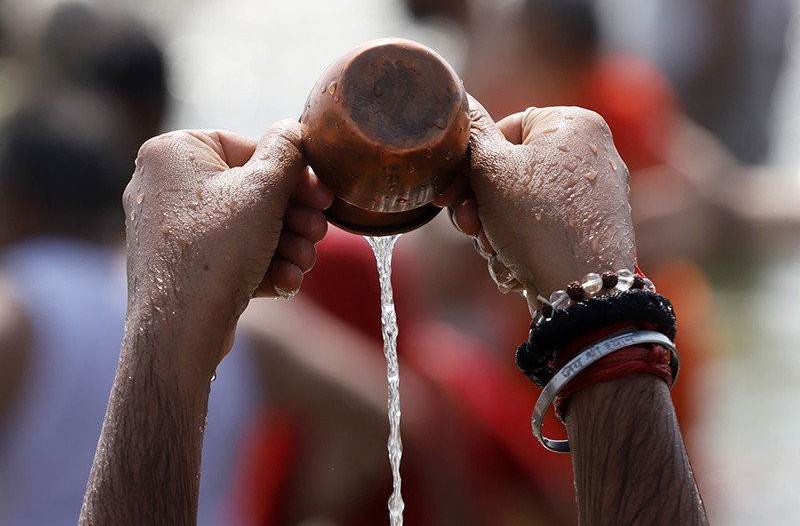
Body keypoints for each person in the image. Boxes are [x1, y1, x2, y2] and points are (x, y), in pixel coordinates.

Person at [78, 99, 708, 525]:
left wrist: (166, 327)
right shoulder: (466, 383)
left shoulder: (294, 430)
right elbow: (552, 502)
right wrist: (600, 296)